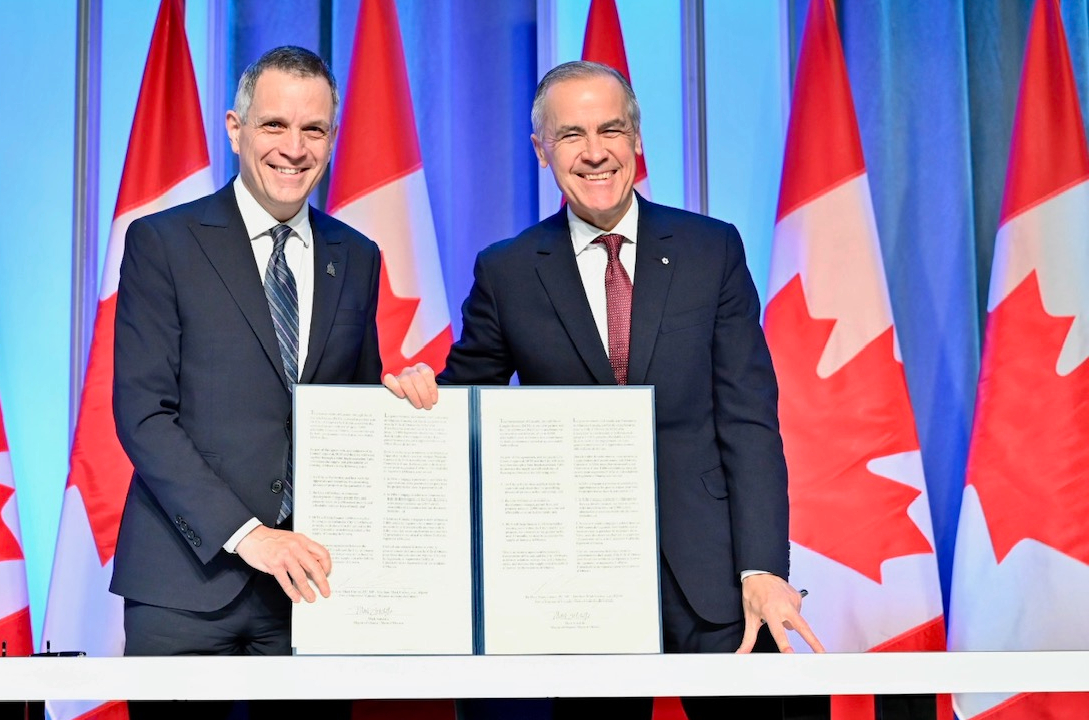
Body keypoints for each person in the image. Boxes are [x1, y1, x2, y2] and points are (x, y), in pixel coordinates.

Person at [386, 61, 824, 719]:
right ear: (542, 150)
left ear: (637, 139)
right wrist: (421, 397)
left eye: (611, 129)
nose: (595, 152)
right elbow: (464, 411)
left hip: (716, 580)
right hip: (577, 588)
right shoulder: (507, 271)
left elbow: (748, 423)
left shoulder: (712, 250)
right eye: (571, 135)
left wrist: (763, 569)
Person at [111, 45, 379, 716]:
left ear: (332, 137)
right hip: (185, 584)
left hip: (310, 593)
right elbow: (144, 413)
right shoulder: (163, 243)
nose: (294, 147)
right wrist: (248, 533)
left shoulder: (358, 257)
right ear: (235, 128)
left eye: (313, 129)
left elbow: (354, 414)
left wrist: (400, 407)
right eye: (274, 126)